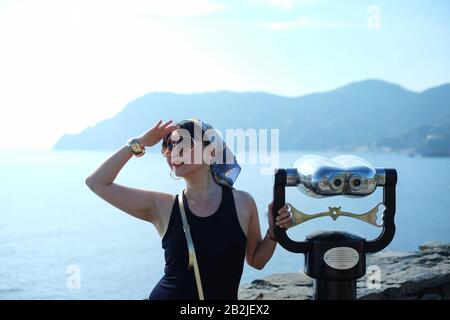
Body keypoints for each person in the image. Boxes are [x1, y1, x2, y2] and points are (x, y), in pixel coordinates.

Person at [85, 119, 292, 300]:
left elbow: (256, 260)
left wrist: (273, 232)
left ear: (211, 152)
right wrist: (138, 143)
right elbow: (96, 182)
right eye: (169, 146)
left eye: (184, 144)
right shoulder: (161, 206)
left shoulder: (243, 203)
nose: (174, 152)